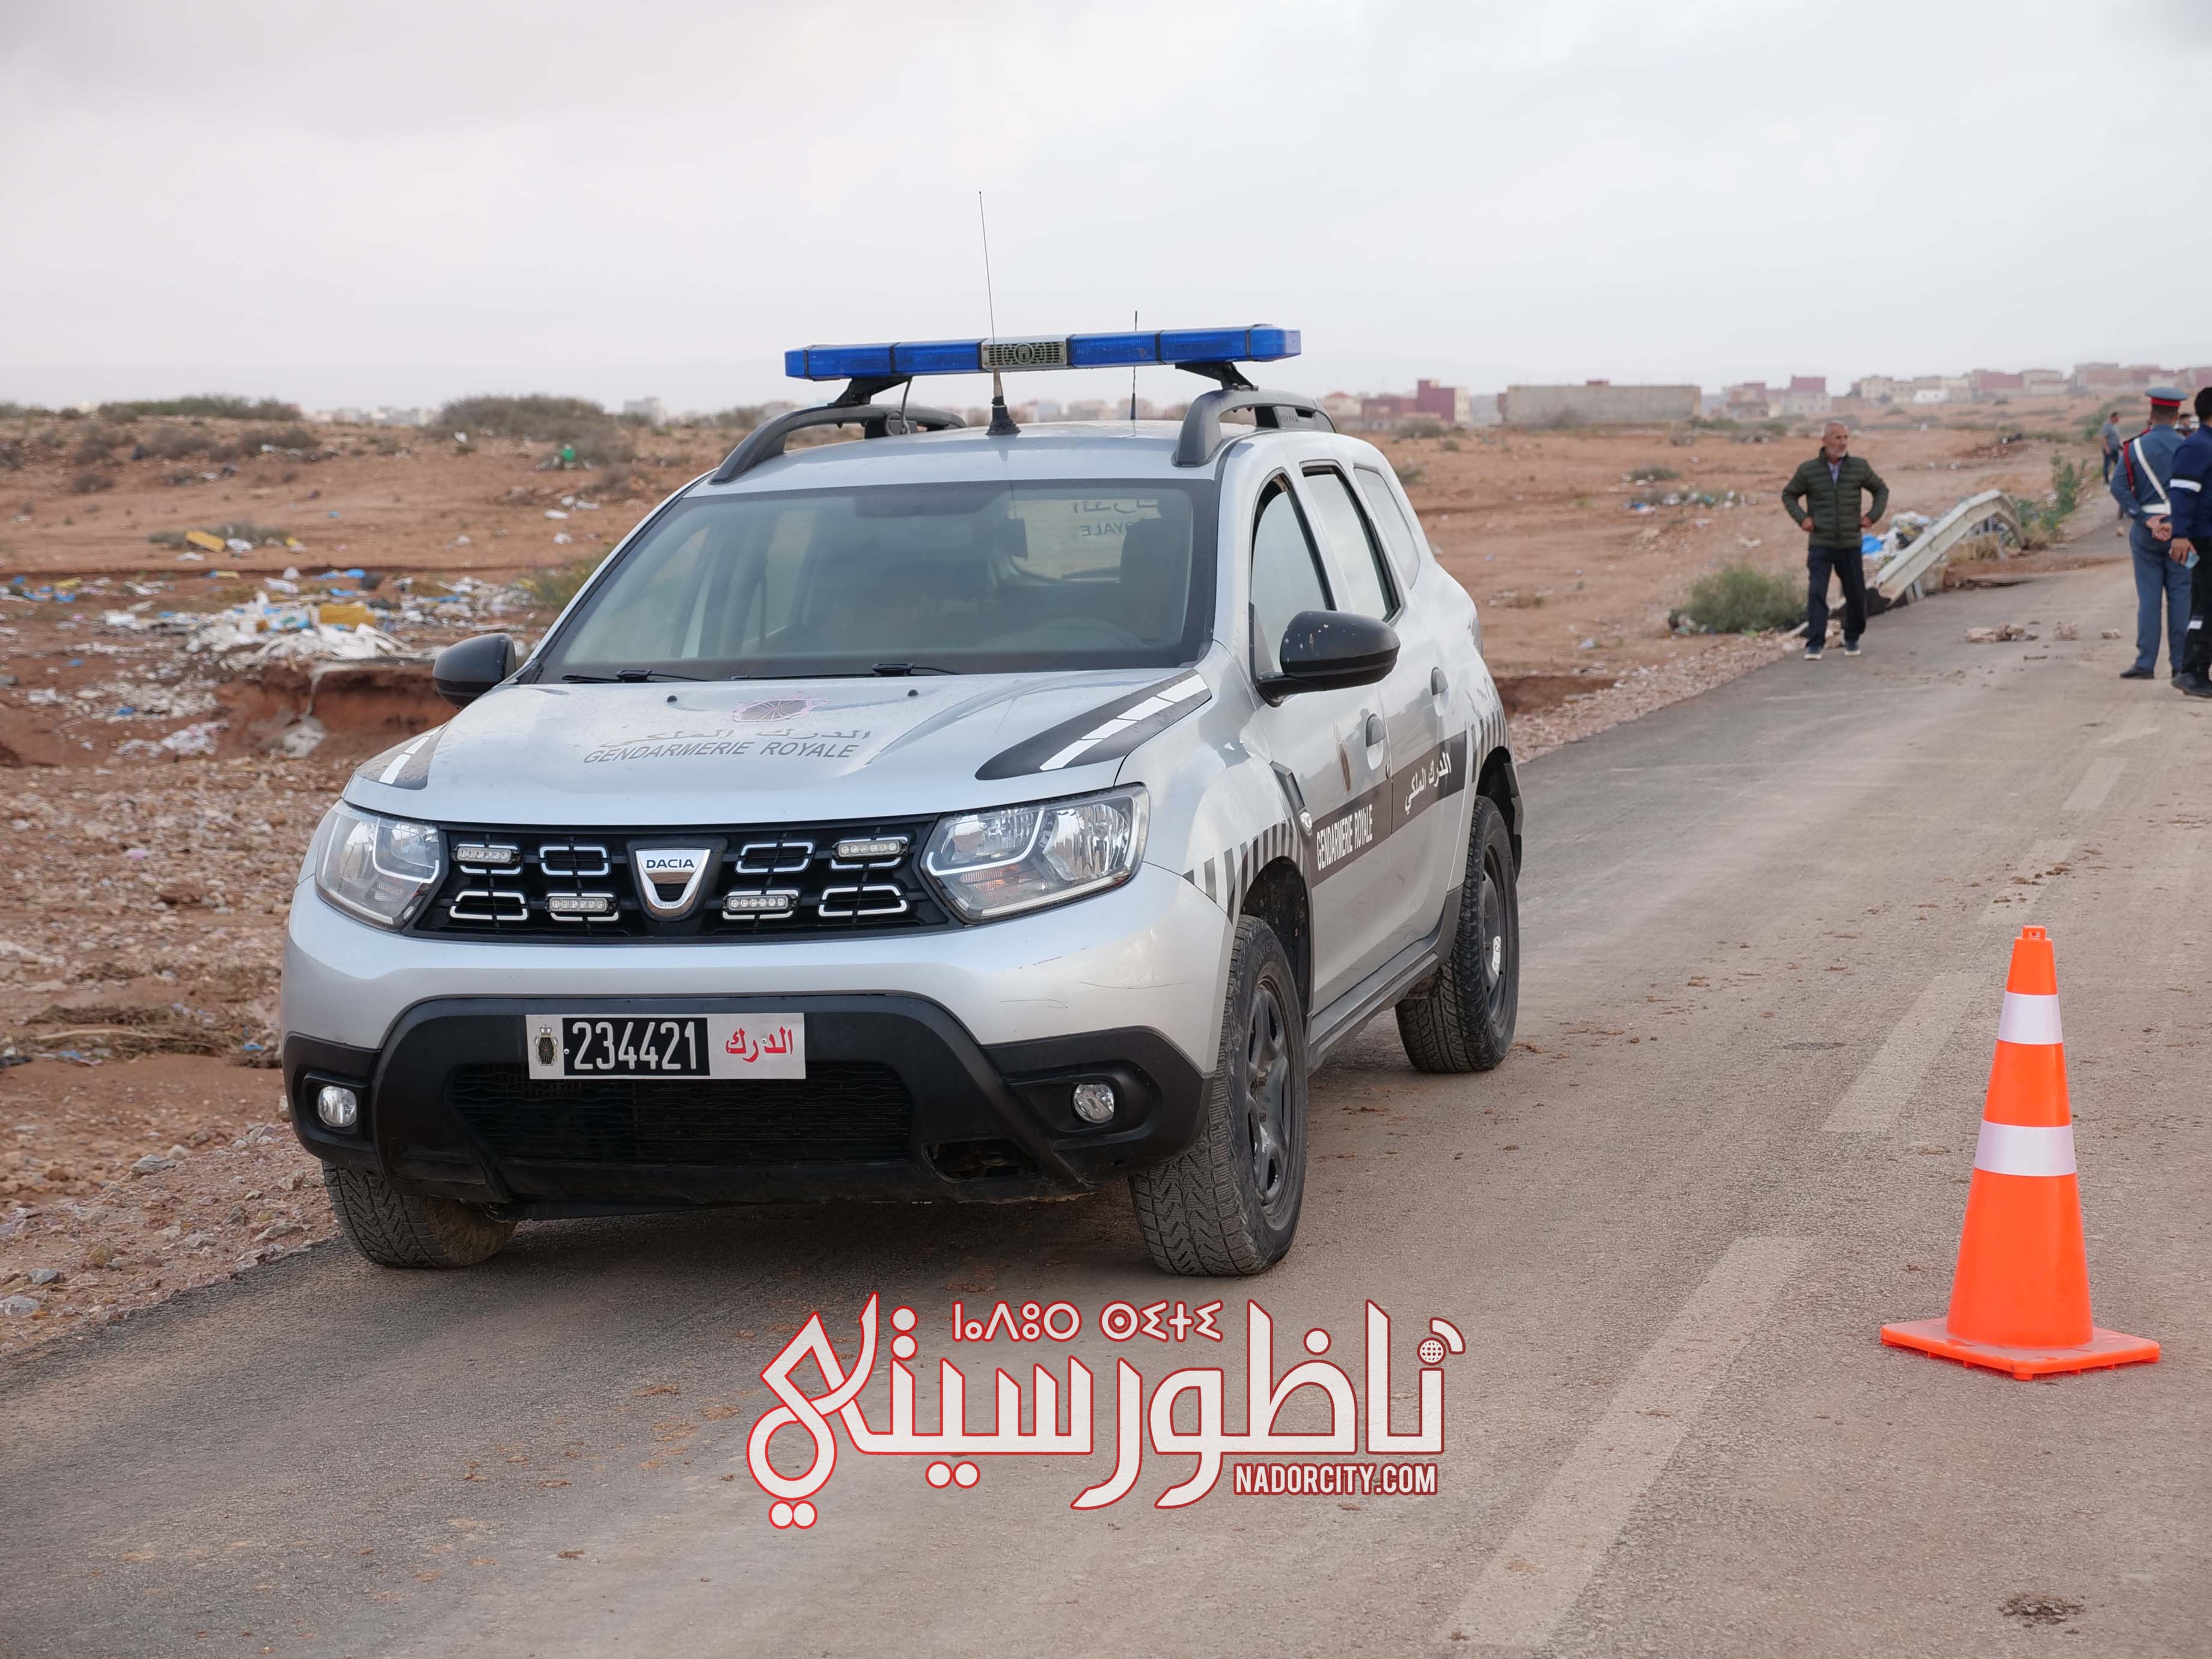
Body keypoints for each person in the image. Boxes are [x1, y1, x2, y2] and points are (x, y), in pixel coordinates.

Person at [1782, 420, 1888, 660]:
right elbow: (1789, 494)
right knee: (1817, 592)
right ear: (1825, 441)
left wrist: (1872, 516)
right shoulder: (1809, 470)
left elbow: (1881, 490)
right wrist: (1802, 519)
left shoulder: (1859, 467)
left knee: (1856, 592)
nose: (1843, 443)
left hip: (1850, 542)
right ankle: (1815, 643)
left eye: (1845, 438)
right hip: (1821, 542)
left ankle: (1852, 638)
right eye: (1838, 438)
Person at [2109, 387, 2191, 679]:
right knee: (2182, 598)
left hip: (2147, 531)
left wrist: (2143, 517)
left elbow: (2118, 487)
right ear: (2176, 416)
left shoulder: (2134, 448)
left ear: (2151, 414)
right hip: (2181, 530)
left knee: (2149, 599)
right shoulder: (2188, 447)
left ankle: (2145, 663)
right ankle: (2181, 665)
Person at [2165, 386, 2212, 697]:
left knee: (2205, 603)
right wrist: (2180, 535)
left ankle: (2195, 670)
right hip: (2204, 538)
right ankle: (2191, 671)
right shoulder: (2197, 446)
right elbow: (2182, 494)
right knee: (2207, 605)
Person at [2102, 409, 2124, 485]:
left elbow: (2116, 438)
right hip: (2109, 449)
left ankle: (2119, 480)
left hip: (2116, 449)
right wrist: (2106, 448)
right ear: (2113, 417)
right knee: (2107, 465)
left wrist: (2121, 447)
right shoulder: (2107, 426)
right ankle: (2106, 480)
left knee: (2118, 465)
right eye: (2117, 418)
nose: (2118, 419)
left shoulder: (2115, 426)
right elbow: (2104, 438)